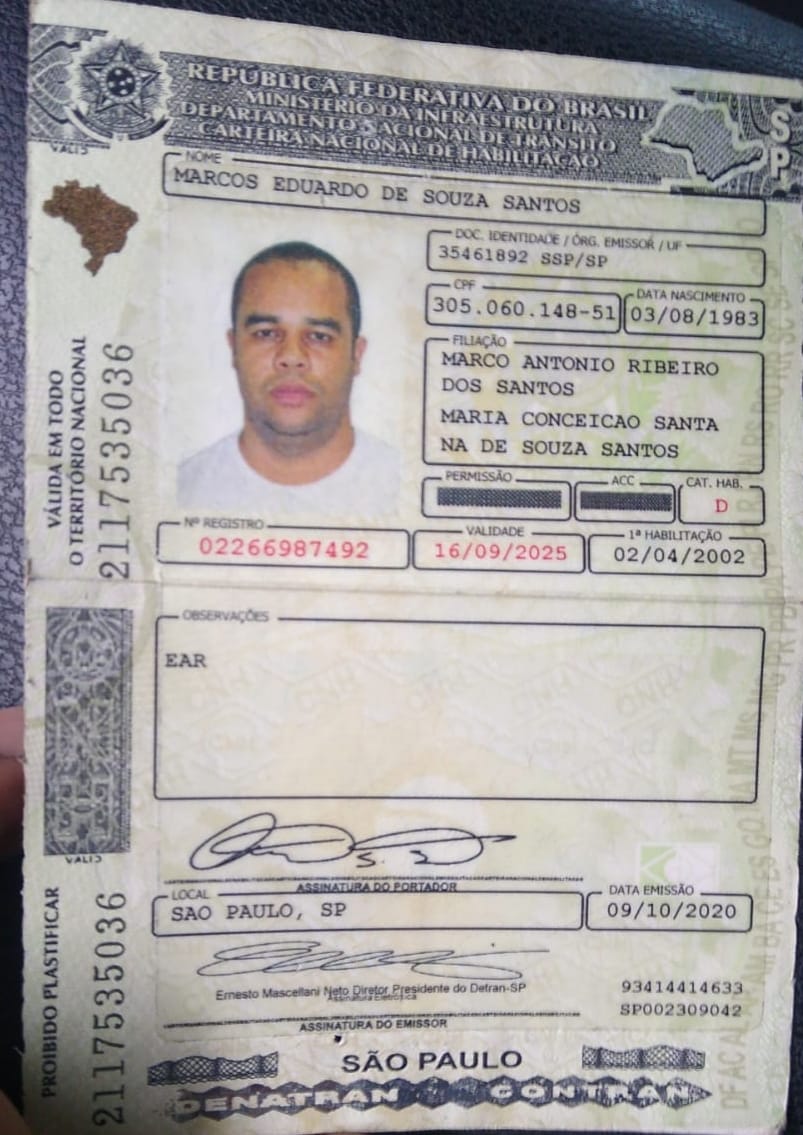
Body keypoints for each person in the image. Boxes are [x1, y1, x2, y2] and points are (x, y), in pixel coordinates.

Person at [178, 242, 399, 514]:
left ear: (356, 355)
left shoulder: (404, 486)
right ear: (234, 348)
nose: (292, 357)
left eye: (319, 336)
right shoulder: (184, 492)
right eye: (266, 333)